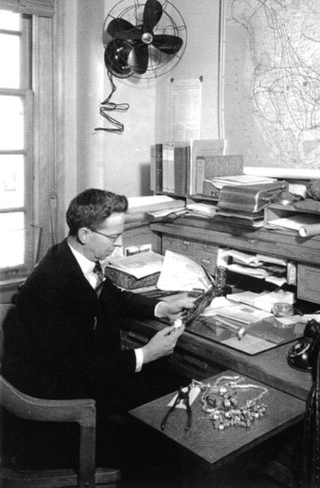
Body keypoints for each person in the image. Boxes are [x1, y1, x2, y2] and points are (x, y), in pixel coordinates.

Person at [2, 188, 197, 468]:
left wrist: (160, 307)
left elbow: (109, 294)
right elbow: (74, 366)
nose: (118, 244)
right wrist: (145, 354)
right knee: (165, 412)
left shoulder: (71, 257)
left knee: (171, 386)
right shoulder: (49, 285)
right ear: (84, 234)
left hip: (78, 381)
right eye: (114, 236)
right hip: (57, 410)